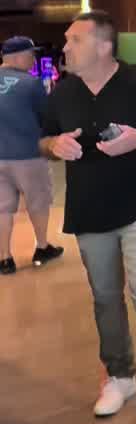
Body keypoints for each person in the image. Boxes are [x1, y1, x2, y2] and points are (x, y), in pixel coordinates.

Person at [39, 10, 136, 424]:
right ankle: (120, 376)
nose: (65, 47)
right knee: (105, 297)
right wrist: (54, 145)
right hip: (90, 210)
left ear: (104, 46)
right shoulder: (63, 93)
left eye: (75, 39)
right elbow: (42, 140)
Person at [0, 35, 64, 275]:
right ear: (18, 57)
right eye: (31, 55)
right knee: (38, 202)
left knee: (2, 208)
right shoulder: (30, 83)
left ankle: (4, 258)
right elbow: (46, 117)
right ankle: (42, 247)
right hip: (28, 155)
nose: (33, 59)